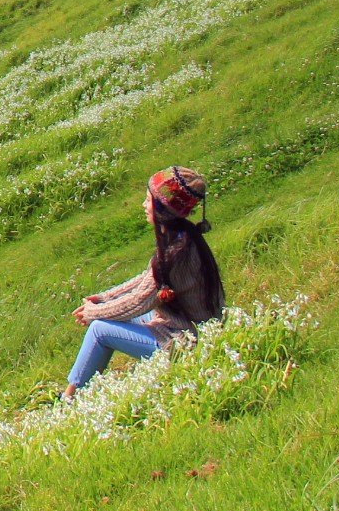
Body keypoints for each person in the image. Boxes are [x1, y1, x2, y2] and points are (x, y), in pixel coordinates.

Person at [63, 165, 225, 399]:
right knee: (109, 317)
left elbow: (140, 301)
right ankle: (74, 392)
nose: (143, 205)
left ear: (162, 210)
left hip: (186, 342)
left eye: (148, 200)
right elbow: (146, 280)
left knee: (99, 329)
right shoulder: (184, 238)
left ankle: (69, 399)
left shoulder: (174, 254)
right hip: (189, 325)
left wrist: (93, 313)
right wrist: (103, 299)